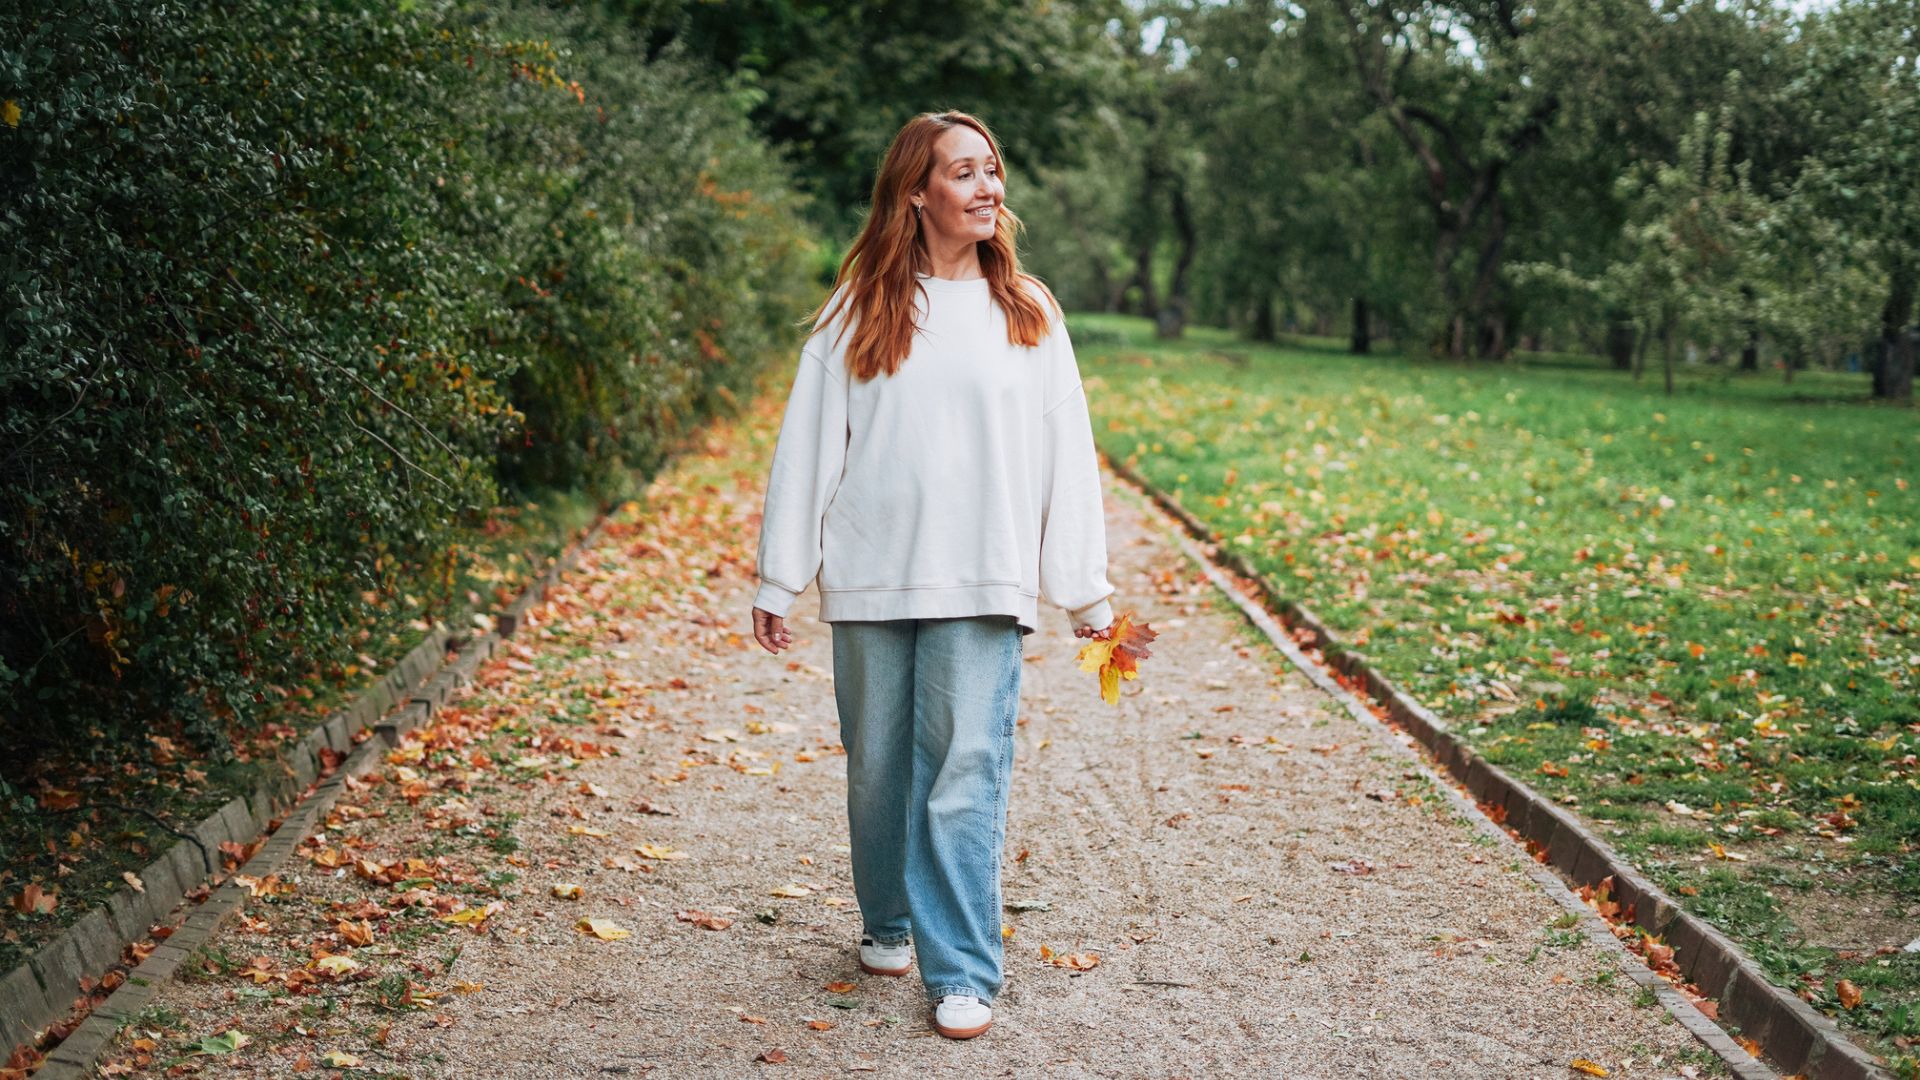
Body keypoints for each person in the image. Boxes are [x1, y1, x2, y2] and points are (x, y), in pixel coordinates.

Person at [748, 110, 1116, 1040]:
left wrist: (1084, 590)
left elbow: (1065, 456)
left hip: (984, 580)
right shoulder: (857, 310)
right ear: (918, 193)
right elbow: (808, 451)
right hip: (873, 576)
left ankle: (962, 970)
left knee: (966, 767)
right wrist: (779, 577)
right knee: (877, 768)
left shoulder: (1027, 310)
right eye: (965, 172)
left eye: (993, 170)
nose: (988, 187)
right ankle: (889, 920)